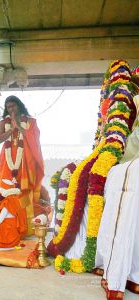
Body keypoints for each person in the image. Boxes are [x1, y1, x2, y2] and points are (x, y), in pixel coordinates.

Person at [95, 72, 139, 299]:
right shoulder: (133, 102)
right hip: (131, 159)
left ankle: (121, 273)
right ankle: (125, 272)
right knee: (117, 177)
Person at [0, 95, 44, 249]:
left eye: (14, 106)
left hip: (25, 162)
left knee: (23, 191)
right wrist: (12, 130)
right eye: (8, 107)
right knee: (7, 191)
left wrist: (20, 127)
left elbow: (35, 139)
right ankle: (4, 228)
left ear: (19, 106)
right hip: (8, 162)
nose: (11, 109)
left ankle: (25, 228)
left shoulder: (30, 121)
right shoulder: (3, 122)